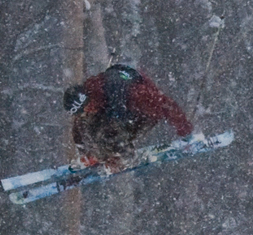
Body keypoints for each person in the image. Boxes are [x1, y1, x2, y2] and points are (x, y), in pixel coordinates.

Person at [64, 62, 193, 167]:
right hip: (117, 113)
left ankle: (126, 158)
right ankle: (96, 156)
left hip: (141, 114)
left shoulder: (131, 92)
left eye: (87, 107)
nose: (87, 111)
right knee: (85, 124)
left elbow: (165, 104)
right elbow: (80, 125)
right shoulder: (92, 94)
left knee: (108, 131)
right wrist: (86, 153)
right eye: (83, 112)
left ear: (89, 100)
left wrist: (184, 129)